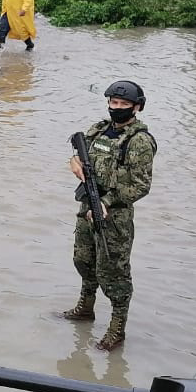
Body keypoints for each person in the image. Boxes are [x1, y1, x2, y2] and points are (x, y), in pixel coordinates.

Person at [62, 80, 157, 351]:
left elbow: (141, 185)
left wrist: (106, 201)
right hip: (87, 207)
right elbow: (76, 153)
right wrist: (74, 163)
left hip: (115, 216)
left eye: (123, 105)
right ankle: (85, 308)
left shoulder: (139, 142)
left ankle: (117, 329)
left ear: (136, 107)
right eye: (113, 103)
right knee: (84, 259)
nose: (117, 108)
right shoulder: (98, 130)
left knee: (113, 271)